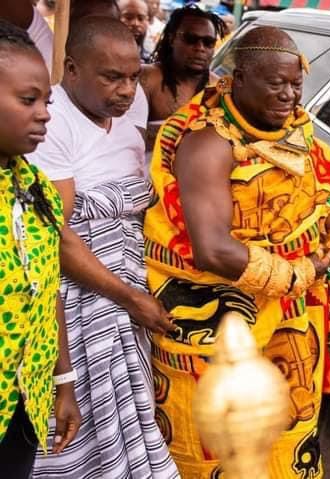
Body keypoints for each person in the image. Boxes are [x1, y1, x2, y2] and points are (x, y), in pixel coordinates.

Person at [143, 26, 330, 478]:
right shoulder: (206, 144)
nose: (289, 95)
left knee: (287, 435)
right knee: (215, 448)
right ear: (237, 78)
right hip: (216, 326)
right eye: (275, 84)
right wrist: (297, 273)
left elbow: (306, 203)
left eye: (295, 84)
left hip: (290, 326)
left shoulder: (300, 134)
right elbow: (211, 250)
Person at [27, 16, 178, 478]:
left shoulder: (129, 124)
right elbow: (58, 238)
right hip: (90, 300)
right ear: (70, 69)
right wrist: (131, 299)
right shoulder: (52, 126)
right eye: (111, 76)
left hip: (129, 281)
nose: (128, 90)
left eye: (134, 76)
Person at [0, 19, 80, 478]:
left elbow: (47, 289)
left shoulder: (40, 193)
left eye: (47, 101)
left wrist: (62, 382)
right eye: (28, 100)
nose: (46, 113)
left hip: (22, 405)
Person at [140, 4, 225, 149]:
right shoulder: (147, 78)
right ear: (172, 39)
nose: (200, 48)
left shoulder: (220, 88)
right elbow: (126, 135)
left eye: (208, 42)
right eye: (190, 39)